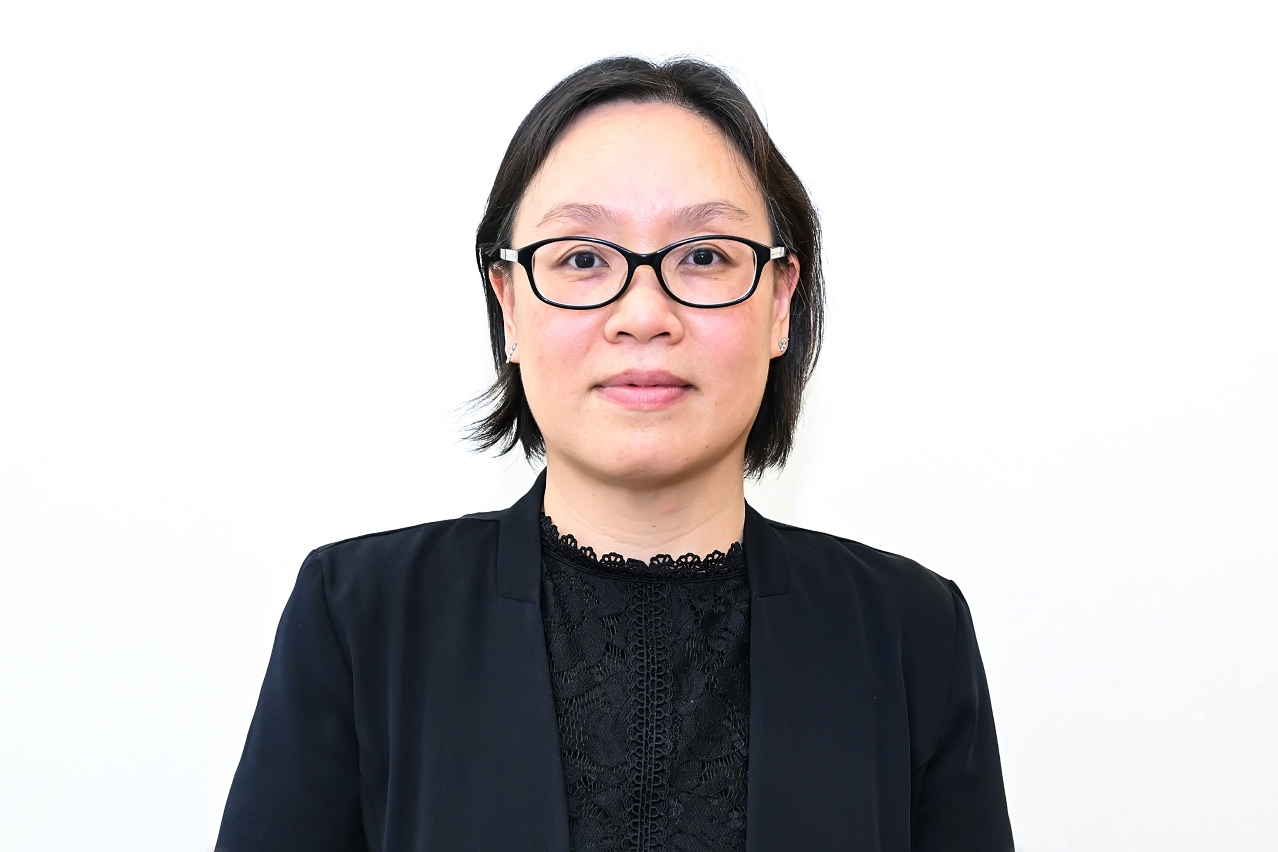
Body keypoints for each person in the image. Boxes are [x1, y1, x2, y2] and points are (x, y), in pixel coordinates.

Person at [215, 56, 1014, 852]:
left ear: (779, 301)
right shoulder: (360, 618)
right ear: (509, 306)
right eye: (582, 258)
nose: (643, 314)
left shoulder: (910, 634)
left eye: (704, 256)